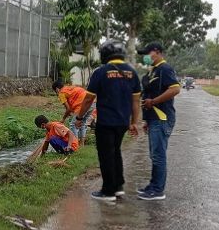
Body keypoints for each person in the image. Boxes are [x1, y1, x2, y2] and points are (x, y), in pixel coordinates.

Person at [75, 40, 142, 202]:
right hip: (122, 123)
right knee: (116, 151)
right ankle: (118, 186)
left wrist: (79, 117)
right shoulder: (132, 73)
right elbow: (136, 102)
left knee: (106, 155)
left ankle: (108, 191)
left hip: (106, 122)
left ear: (105, 54)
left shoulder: (101, 72)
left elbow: (88, 99)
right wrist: (134, 122)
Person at [136, 42, 181, 201]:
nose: (145, 57)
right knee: (154, 155)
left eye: (147, 53)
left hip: (162, 118)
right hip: (154, 119)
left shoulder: (165, 69)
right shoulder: (152, 71)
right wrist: (146, 120)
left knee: (158, 155)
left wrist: (154, 102)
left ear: (156, 52)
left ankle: (158, 190)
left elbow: (175, 89)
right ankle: (153, 186)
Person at [52, 80, 95, 144]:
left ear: (57, 89)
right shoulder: (69, 88)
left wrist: (63, 119)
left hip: (82, 105)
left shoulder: (61, 93)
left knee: (73, 125)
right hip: (92, 102)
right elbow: (70, 107)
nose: (56, 93)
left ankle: (75, 144)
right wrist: (69, 112)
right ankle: (82, 144)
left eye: (55, 91)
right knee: (82, 123)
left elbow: (68, 109)